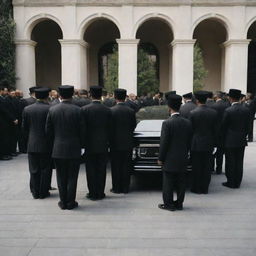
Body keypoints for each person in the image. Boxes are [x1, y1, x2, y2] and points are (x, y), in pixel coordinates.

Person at [46, 85, 83, 210]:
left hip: (58, 148)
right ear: (72, 95)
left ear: (60, 95)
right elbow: (83, 131)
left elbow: (48, 132)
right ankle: (71, 201)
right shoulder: (78, 110)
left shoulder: (52, 110)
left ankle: (63, 202)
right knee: (73, 176)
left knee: (61, 176)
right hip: (74, 148)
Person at [158, 94, 192, 211]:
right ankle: (179, 203)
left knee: (168, 182)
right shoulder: (187, 122)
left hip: (170, 158)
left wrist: (161, 158)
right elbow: (189, 141)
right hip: (183, 157)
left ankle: (168, 204)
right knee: (181, 182)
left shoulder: (167, 123)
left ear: (169, 107)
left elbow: (164, 143)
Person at [82, 86, 111, 200]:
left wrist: (83, 144)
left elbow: (82, 129)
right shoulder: (108, 110)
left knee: (91, 170)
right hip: (103, 144)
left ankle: (92, 193)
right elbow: (110, 129)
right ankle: (100, 192)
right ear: (101, 95)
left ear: (90, 95)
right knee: (101, 169)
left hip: (89, 145)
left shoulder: (84, 110)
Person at [22, 88, 52, 199]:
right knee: (45, 169)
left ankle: (35, 191)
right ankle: (43, 192)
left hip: (32, 142)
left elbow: (24, 128)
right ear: (46, 96)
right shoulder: (50, 108)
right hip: (46, 144)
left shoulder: (27, 109)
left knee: (34, 169)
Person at [190, 91, 217, 194]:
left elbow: (191, 130)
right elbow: (215, 130)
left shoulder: (193, 113)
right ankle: (205, 188)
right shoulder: (213, 113)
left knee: (196, 167)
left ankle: (196, 188)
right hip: (209, 143)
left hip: (196, 143)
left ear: (197, 100)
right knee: (207, 167)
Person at [221, 89, 250, 189]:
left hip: (230, 140)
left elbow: (223, 127)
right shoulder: (246, 110)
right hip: (241, 139)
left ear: (230, 98)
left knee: (230, 161)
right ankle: (238, 181)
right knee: (239, 161)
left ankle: (231, 182)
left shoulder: (228, 111)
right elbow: (248, 126)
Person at [110, 88, 137, 194]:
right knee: (126, 165)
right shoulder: (130, 111)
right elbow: (133, 126)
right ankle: (126, 187)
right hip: (127, 141)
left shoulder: (111, 110)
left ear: (115, 97)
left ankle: (116, 187)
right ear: (125, 97)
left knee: (115, 166)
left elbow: (110, 127)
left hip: (115, 142)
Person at [212, 91, 229, 174]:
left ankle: (212, 168)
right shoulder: (227, 105)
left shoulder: (214, 106)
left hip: (215, 132)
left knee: (213, 150)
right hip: (224, 132)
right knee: (221, 152)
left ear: (216, 96)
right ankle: (219, 169)